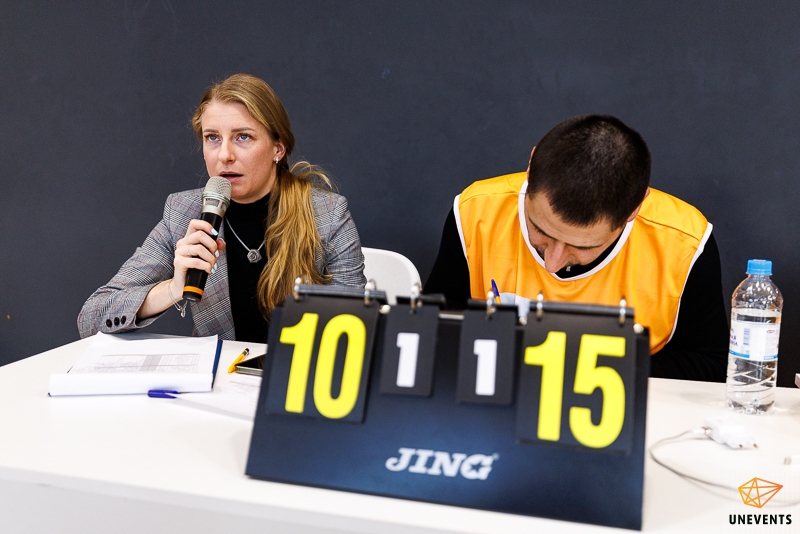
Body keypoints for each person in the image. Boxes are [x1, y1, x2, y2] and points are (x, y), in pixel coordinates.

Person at [425, 114, 728, 382]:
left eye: (582, 246)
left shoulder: (685, 243)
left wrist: (588, 371)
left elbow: (711, 364)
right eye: (540, 230)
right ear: (531, 168)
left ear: (634, 210)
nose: (553, 263)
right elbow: (433, 333)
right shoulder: (475, 213)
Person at [78, 74, 366, 342]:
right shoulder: (184, 213)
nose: (225, 155)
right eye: (212, 138)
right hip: (218, 379)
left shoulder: (327, 215)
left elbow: (351, 334)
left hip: (294, 374)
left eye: (243, 137)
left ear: (278, 149)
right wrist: (172, 289)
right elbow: (92, 317)